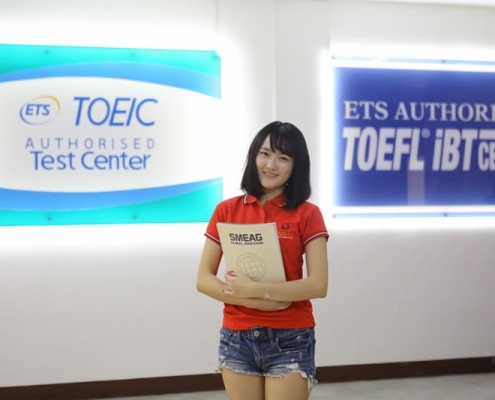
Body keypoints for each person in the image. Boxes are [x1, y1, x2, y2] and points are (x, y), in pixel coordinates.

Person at [196, 121, 329, 400]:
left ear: (296, 166)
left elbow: (318, 285)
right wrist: (251, 300)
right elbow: (203, 279)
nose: (271, 165)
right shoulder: (226, 210)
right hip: (237, 337)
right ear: (254, 155)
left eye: (283, 158)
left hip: (291, 336)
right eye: (265, 154)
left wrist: (259, 290)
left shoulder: (308, 213)